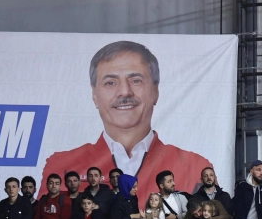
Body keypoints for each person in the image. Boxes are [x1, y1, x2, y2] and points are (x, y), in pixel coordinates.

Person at [38, 40, 212, 206]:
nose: (124, 92)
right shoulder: (62, 165)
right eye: (110, 82)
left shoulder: (195, 167)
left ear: (156, 90)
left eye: (136, 80)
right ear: (94, 95)